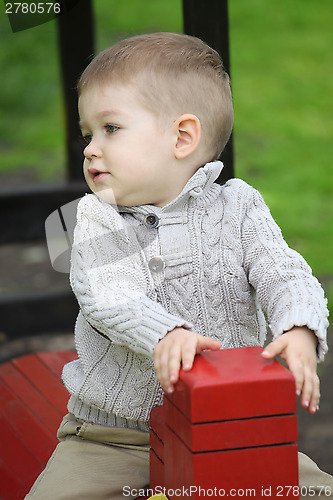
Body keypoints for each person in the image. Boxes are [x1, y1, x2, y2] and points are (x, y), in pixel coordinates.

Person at [26, 32, 332, 499]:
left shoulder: (240, 207)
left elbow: (284, 272)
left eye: (110, 129)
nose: (89, 148)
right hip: (114, 438)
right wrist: (166, 333)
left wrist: (300, 327)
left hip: (229, 429)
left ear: (182, 137)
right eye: (88, 133)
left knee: (310, 489)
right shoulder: (94, 217)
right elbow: (111, 296)